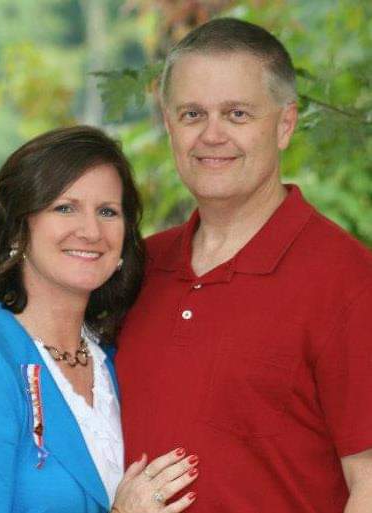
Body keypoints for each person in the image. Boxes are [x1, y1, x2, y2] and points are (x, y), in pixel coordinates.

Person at [115, 18, 372, 513]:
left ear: (285, 124)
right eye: (192, 114)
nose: (212, 135)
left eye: (237, 114)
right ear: (169, 125)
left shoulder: (350, 283)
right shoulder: (136, 268)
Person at [0, 126, 199, 513]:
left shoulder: (116, 359)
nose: (91, 231)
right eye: (65, 207)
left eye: (108, 211)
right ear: (18, 229)